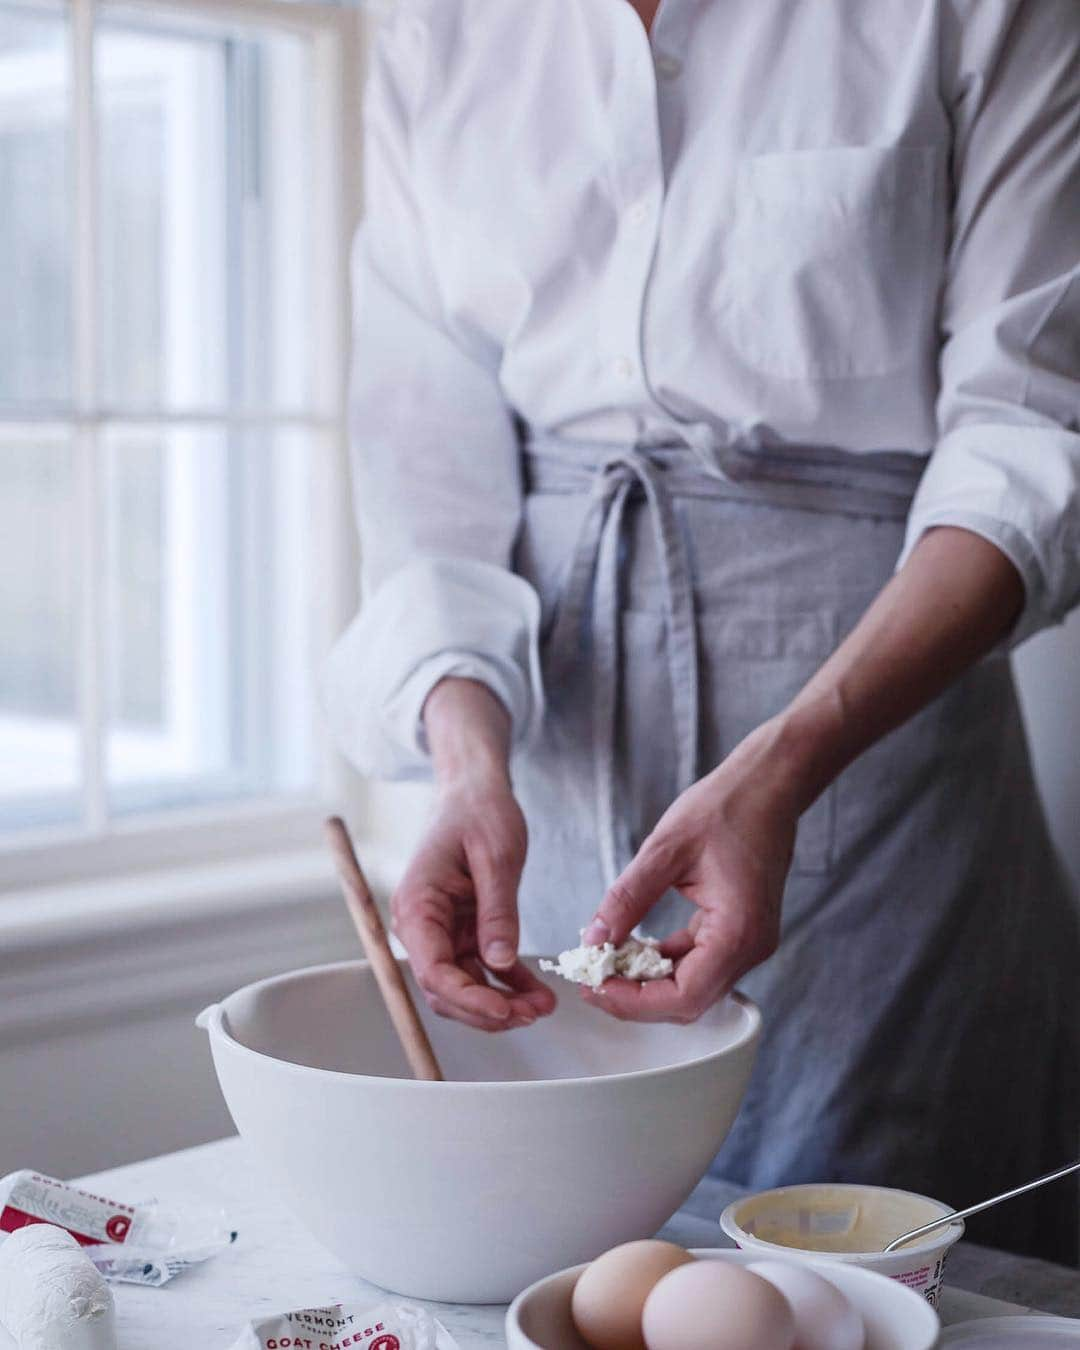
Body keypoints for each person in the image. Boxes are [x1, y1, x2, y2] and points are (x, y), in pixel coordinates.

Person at [324, 0, 1080, 1263]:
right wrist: (467, 763)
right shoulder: (433, 25)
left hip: (881, 754)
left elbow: (1034, 428)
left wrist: (789, 762)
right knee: (579, 1250)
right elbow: (423, 458)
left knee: (875, 1257)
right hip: (545, 767)